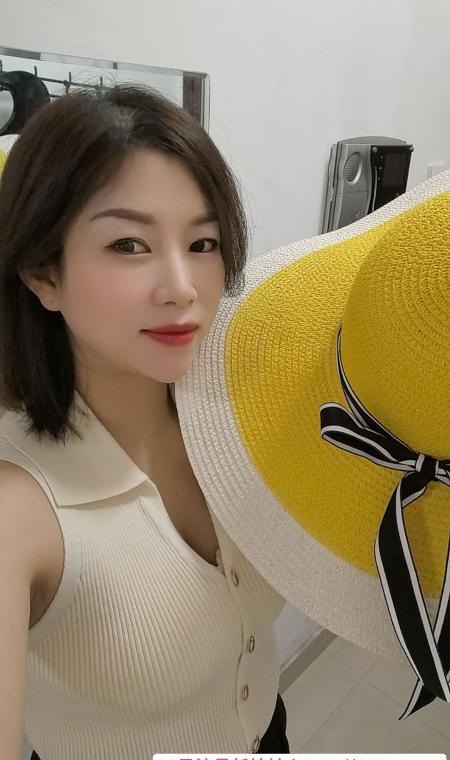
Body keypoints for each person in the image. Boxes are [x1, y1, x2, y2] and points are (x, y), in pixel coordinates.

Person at [0, 86, 290, 760]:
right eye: (129, 244)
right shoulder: (20, 509)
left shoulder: (237, 418)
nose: (182, 287)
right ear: (43, 274)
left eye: (203, 242)